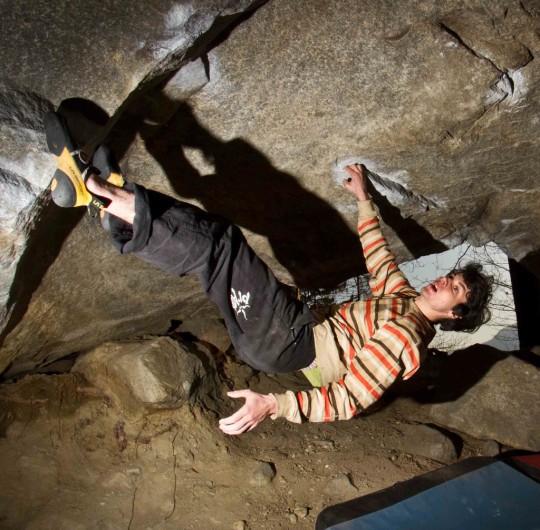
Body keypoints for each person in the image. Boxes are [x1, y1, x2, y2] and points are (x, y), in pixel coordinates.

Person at [44, 112, 493, 435]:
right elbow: (378, 256)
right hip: (280, 335)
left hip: (289, 339)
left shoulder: (408, 336)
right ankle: (114, 210)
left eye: (454, 291)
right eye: (452, 277)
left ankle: (102, 194)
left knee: (221, 245)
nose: (445, 283)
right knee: (213, 257)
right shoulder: (401, 297)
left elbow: (349, 399)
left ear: (454, 314)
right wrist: (363, 198)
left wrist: (272, 406)